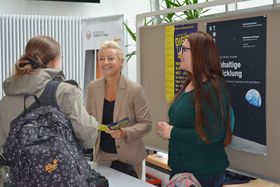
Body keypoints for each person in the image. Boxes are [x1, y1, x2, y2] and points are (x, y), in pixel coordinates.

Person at [157, 31, 233, 187]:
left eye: (184, 49)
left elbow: (213, 134)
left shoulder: (213, 87)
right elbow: (188, 121)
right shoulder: (190, 83)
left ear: (199, 54)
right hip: (182, 171)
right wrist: (169, 127)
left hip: (203, 174)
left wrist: (172, 132)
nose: (179, 54)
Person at [0, 35, 98, 154]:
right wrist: (93, 123)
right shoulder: (64, 92)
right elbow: (88, 138)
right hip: (54, 170)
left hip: (12, 171)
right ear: (53, 61)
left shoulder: (6, 98)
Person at [86, 40, 152, 179]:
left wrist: (125, 132)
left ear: (121, 61)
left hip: (129, 159)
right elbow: (89, 118)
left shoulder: (135, 90)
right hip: (102, 157)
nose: (105, 62)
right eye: (101, 59)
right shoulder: (93, 87)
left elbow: (146, 124)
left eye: (110, 58)